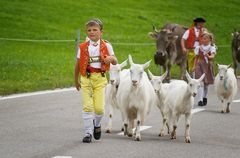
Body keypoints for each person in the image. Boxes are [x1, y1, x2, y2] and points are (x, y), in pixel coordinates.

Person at [74, 18, 117, 143]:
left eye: (95, 30)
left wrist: (111, 58)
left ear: (101, 32)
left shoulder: (107, 45)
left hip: (100, 79)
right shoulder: (82, 47)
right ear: (86, 32)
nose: (92, 32)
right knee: (87, 106)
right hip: (86, 78)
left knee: (99, 109)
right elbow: (77, 64)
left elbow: (115, 60)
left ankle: (96, 124)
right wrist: (76, 80)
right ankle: (88, 133)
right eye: (89, 30)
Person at [193, 31, 216, 106]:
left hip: (208, 65)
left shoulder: (212, 47)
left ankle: (204, 97)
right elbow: (196, 58)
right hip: (199, 65)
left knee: (206, 84)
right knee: (200, 82)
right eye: (202, 38)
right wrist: (194, 66)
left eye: (205, 38)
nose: (203, 40)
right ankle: (200, 100)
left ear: (210, 39)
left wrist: (209, 56)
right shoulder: (198, 48)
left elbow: (212, 56)